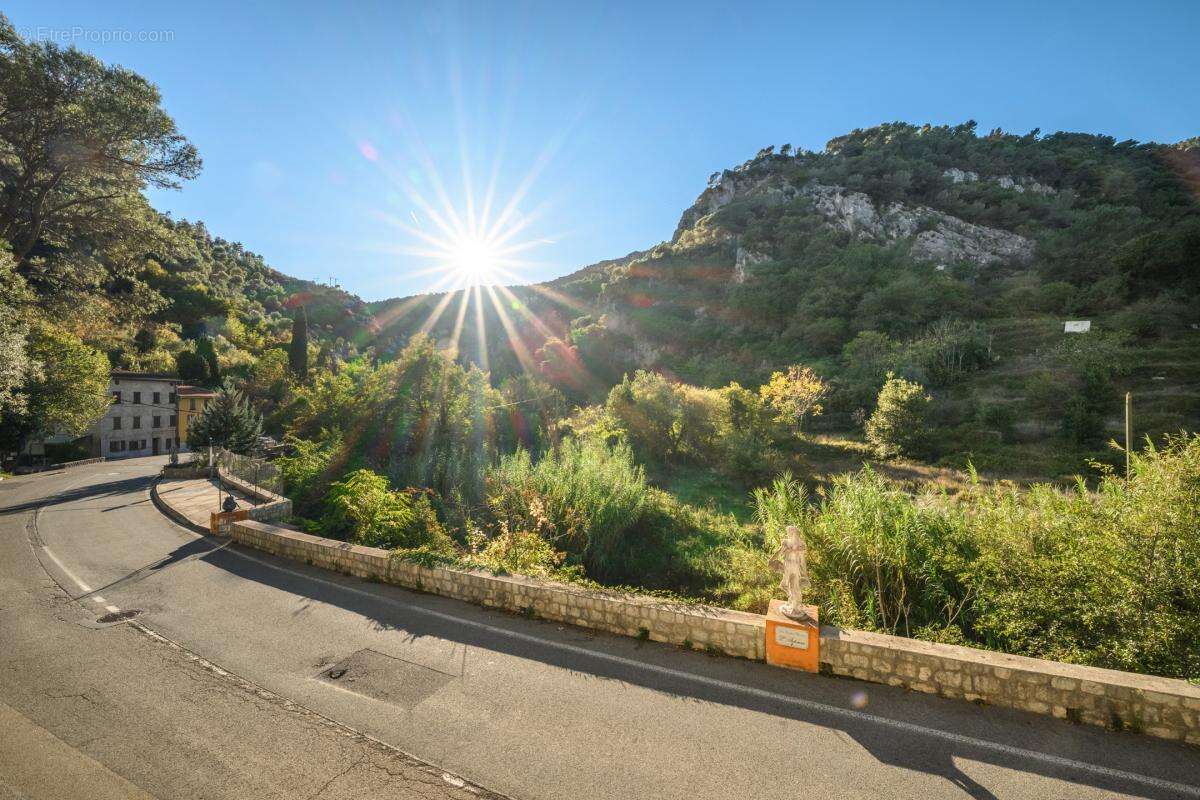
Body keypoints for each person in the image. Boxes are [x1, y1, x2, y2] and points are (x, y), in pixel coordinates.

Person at [769, 525, 811, 620]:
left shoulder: (801, 544)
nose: (789, 534)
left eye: (790, 532)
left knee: (793, 586)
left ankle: (795, 607)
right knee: (788, 585)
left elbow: (803, 561)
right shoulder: (786, 542)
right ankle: (793, 603)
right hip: (787, 566)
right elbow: (779, 552)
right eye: (788, 532)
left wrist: (804, 573)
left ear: (795, 532)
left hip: (795, 567)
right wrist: (771, 559)